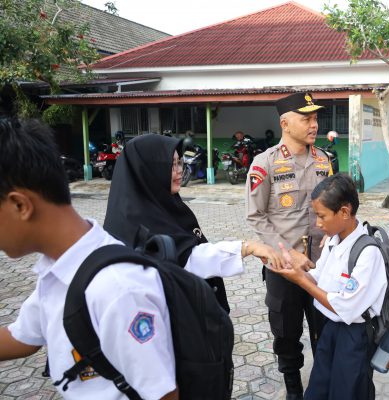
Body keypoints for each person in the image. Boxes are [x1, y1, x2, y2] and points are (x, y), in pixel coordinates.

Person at [0, 118, 189, 399]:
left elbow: (162, 394)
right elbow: (24, 336)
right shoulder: (58, 268)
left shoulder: (117, 287)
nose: (177, 171)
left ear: (20, 205)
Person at [104, 134, 283, 313]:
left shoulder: (164, 203)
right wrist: (247, 247)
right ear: (148, 171)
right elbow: (188, 259)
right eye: (171, 165)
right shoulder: (134, 221)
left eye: (179, 162)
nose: (179, 170)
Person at [246, 92, 333, 399]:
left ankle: (322, 386)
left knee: (326, 330)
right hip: (283, 268)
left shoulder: (324, 160)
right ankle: (294, 389)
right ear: (285, 123)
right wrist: (288, 251)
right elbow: (256, 216)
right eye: (306, 118)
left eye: (315, 118)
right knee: (286, 333)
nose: (314, 124)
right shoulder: (265, 163)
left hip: (322, 267)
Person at [275, 174, 387, 400]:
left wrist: (301, 281)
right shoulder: (334, 241)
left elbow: (344, 307)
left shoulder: (368, 253)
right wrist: (298, 270)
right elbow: (319, 277)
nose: (317, 223)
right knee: (318, 389)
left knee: (347, 392)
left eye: (321, 216)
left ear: (344, 212)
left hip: (355, 337)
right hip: (330, 331)